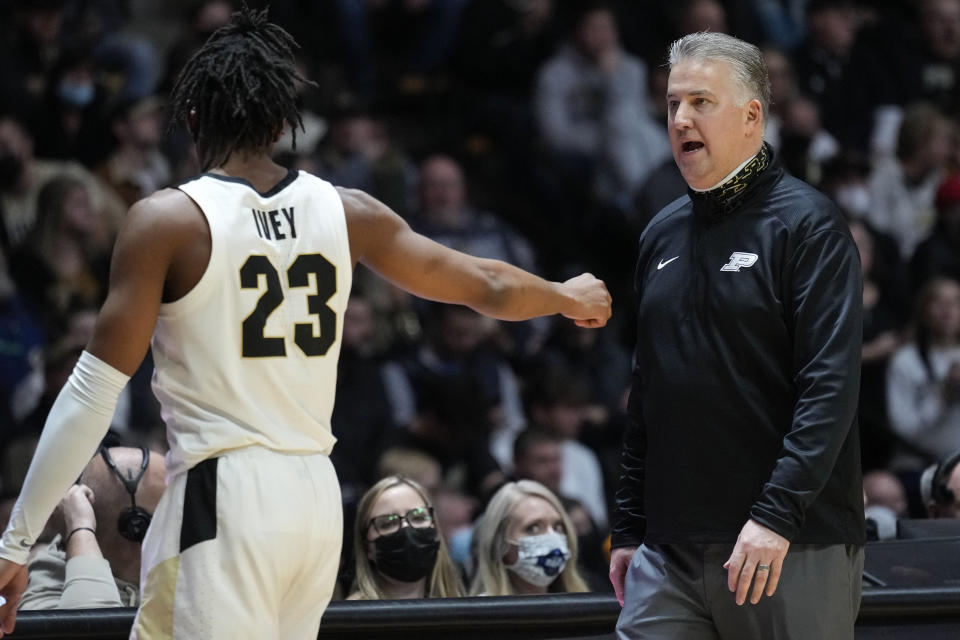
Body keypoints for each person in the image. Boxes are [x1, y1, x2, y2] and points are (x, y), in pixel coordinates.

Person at [0, 7, 611, 640]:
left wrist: (16, 541)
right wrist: (563, 294)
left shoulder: (168, 220)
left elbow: (92, 392)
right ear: (280, 122)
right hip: (316, 499)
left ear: (188, 122)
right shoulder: (348, 210)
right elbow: (484, 286)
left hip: (225, 492)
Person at [609, 32, 864, 639]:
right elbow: (649, 391)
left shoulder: (809, 227)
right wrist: (628, 528)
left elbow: (829, 389)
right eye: (672, 104)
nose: (681, 119)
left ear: (753, 116)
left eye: (701, 101)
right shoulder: (660, 235)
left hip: (787, 544)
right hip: (668, 553)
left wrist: (775, 517)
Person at [19, 446, 165, 609]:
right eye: (174, 514)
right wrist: (81, 528)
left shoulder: (176, 576)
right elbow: (90, 624)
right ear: (135, 528)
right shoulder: (42, 598)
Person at [348, 475, 463, 600]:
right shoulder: (352, 617)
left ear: (436, 529)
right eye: (387, 523)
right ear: (366, 547)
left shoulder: (463, 609)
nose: (406, 528)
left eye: (418, 517)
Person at [470, 479, 588, 596]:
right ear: (499, 544)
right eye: (533, 528)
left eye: (557, 527)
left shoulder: (583, 606)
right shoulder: (482, 613)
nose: (552, 537)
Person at [886, 277, 960, 463]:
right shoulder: (905, 361)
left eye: (955, 301)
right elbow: (903, 430)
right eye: (938, 301)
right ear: (924, 309)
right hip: (919, 463)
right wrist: (942, 396)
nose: (947, 308)